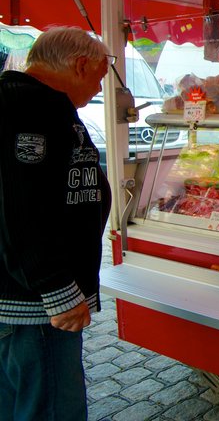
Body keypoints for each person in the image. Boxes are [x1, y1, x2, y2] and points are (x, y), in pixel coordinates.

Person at [0, 26, 113, 421]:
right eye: (99, 77)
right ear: (80, 65)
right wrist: (57, 290)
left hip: (34, 297)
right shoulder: (28, 108)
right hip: (34, 304)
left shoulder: (40, 104)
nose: (99, 89)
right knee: (50, 407)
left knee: (21, 401)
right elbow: (20, 207)